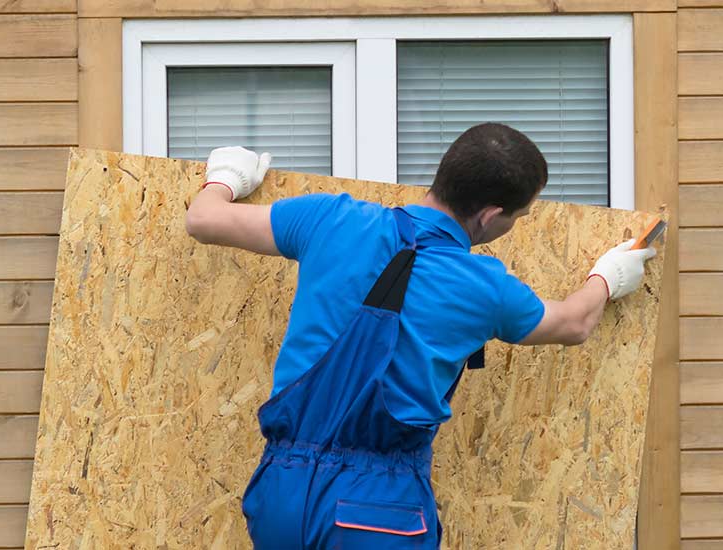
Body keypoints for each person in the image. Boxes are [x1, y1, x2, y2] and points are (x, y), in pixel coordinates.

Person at [185, 123, 656, 549]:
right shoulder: (485, 287)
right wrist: (608, 276)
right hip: (377, 510)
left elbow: (204, 220)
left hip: (281, 498)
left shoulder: (329, 218)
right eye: (518, 216)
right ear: (491, 216)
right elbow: (573, 323)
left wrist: (227, 177)